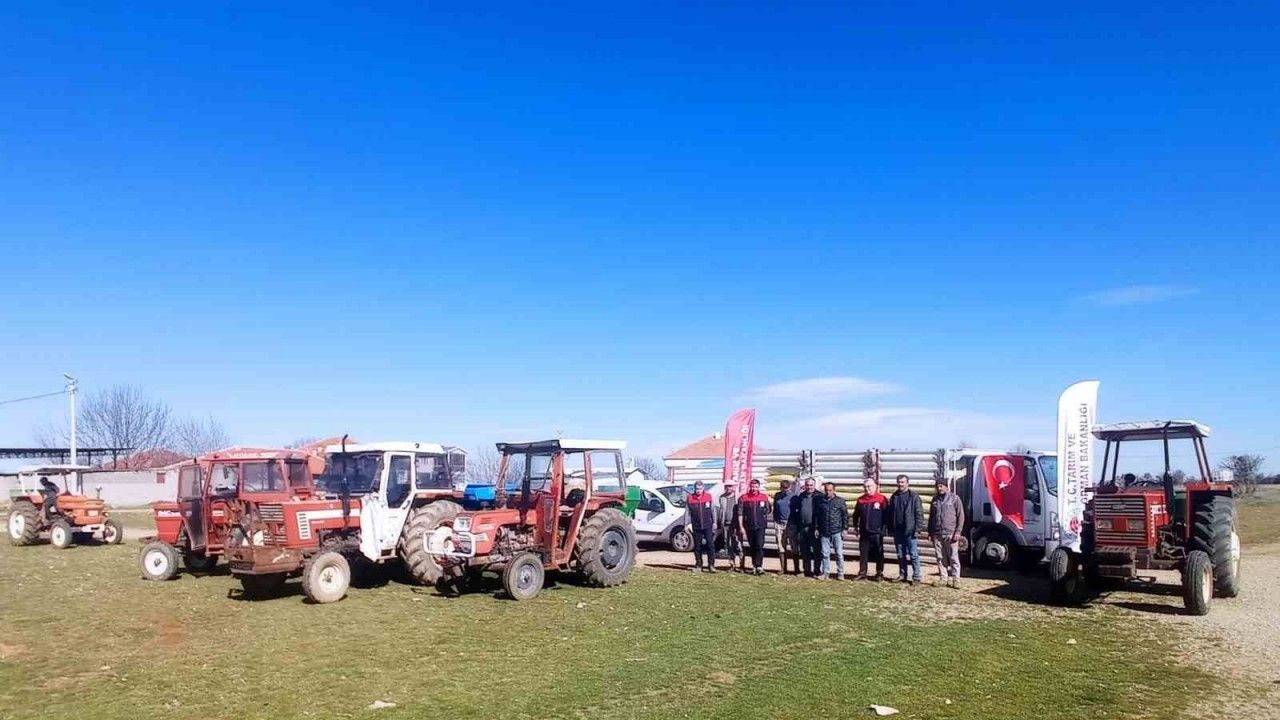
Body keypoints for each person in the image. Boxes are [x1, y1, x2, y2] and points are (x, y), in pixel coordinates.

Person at [886, 473, 925, 585]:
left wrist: (917, 529)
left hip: (910, 530)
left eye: (902, 482)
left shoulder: (914, 497)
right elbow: (890, 513)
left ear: (907, 483)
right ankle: (903, 575)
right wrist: (890, 528)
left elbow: (919, 514)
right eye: (899, 482)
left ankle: (916, 576)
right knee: (900, 554)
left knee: (913, 554)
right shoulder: (894, 496)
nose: (900, 484)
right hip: (898, 531)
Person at [928, 478, 966, 588]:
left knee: (953, 557)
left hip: (951, 533)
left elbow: (961, 516)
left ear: (946, 486)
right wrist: (930, 532)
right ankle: (943, 579)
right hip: (937, 534)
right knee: (940, 557)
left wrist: (958, 531)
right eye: (937, 486)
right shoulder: (935, 500)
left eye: (941, 486)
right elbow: (931, 517)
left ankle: (956, 579)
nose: (939, 488)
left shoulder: (955, 499)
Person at [852, 478, 889, 580]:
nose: (867, 488)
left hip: (877, 532)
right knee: (863, 553)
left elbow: (887, 515)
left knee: (879, 553)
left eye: (869, 486)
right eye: (865, 487)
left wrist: (884, 529)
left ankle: (879, 573)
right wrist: (855, 526)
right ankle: (862, 573)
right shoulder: (861, 500)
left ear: (875, 486)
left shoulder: (882, 499)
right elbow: (856, 515)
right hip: (864, 532)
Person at [737, 479, 771, 575]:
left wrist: (762, 517)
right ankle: (754, 566)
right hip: (749, 526)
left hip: (760, 526)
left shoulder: (764, 497)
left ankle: (759, 566)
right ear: (750, 487)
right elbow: (740, 513)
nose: (754, 488)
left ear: (758, 487)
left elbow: (768, 510)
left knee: (759, 545)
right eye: (752, 486)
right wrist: (741, 527)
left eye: (756, 487)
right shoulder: (743, 498)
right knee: (752, 546)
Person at [789, 477, 822, 577]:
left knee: (816, 550)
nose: (809, 487)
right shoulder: (801, 496)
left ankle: (817, 571)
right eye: (807, 485)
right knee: (804, 550)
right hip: (802, 527)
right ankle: (807, 570)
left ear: (814, 486)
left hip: (814, 528)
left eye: (811, 485)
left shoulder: (820, 496)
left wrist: (818, 527)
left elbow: (821, 513)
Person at [815, 481, 848, 580]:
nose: (828, 492)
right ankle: (825, 573)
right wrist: (816, 528)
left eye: (830, 490)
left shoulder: (840, 501)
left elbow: (845, 515)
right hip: (824, 531)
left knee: (839, 554)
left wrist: (845, 528)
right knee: (825, 554)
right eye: (826, 490)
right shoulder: (820, 501)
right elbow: (817, 516)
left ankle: (840, 573)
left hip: (836, 531)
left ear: (834, 490)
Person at [685, 480, 717, 573]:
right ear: (694, 489)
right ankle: (699, 565)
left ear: (703, 488)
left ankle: (711, 565)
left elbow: (713, 510)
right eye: (696, 489)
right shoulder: (690, 498)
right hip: (696, 526)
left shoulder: (708, 497)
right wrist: (686, 524)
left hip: (708, 525)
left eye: (700, 488)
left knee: (710, 545)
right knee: (697, 547)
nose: (698, 490)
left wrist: (715, 522)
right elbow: (687, 512)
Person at [772, 478, 800, 575]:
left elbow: (798, 511)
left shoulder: (794, 497)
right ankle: (783, 568)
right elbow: (775, 509)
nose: (785, 491)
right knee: (780, 545)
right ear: (780, 488)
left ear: (790, 487)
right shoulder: (777, 496)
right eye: (783, 489)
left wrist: (796, 523)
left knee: (794, 546)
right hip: (779, 523)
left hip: (791, 523)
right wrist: (775, 520)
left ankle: (796, 569)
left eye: (787, 489)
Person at [716, 481, 742, 572]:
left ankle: (741, 565)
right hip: (726, 525)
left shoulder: (738, 497)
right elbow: (720, 511)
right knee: (729, 545)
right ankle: (732, 564)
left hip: (736, 525)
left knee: (739, 545)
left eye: (730, 486)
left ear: (733, 487)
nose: (728, 488)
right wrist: (720, 524)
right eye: (727, 486)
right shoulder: (722, 497)